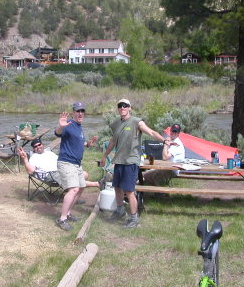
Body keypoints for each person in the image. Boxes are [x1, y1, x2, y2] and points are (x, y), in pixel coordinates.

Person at [99, 98, 167, 229]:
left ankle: (134, 219)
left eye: (125, 105)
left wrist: (164, 141)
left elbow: (151, 132)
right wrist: (105, 155)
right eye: (120, 106)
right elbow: (113, 141)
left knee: (129, 191)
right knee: (117, 188)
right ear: (118, 108)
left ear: (130, 107)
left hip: (131, 161)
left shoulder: (137, 122)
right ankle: (120, 211)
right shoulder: (116, 124)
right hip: (119, 161)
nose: (122, 108)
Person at [53, 102, 97, 231]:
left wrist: (88, 144)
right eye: (78, 111)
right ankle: (62, 219)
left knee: (81, 187)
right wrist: (60, 126)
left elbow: (79, 142)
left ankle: (68, 213)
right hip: (66, 162)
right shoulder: (68, 125)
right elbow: (58, 132)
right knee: (73, 190)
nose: (80, 113)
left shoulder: (79, 127)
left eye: (82, 111)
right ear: (73, 112)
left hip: (76, 164)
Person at [17, 138, 101, 187]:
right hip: (50, 175)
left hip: (61, 169)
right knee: (72, 180)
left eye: (39, 145)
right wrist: (24, 159)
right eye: (35, 146)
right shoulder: (34, 157)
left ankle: (72, 193)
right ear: (33, 149)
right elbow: (30, 171)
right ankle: (97, 184)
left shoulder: (49, 153)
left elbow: (61, 161)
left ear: (42, 145)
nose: (38, 147)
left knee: (85, 174)